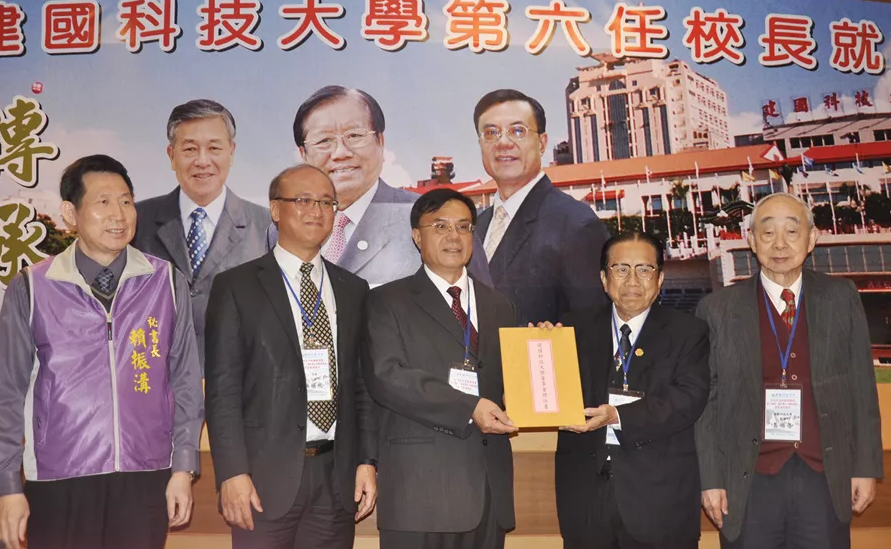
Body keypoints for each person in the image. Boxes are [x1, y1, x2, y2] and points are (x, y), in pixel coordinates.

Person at [0, 154, 204, 549]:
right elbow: (4, 394)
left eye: (126, 201)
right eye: (103, 202)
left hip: (145, 475)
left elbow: (185, 381)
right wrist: (9, 487)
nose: (118, 214)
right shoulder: (33, 287)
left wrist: (183, 468)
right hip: (59, 475)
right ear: (71, 213)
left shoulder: (166, 282)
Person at [204, 164, 378, 549]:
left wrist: (366, 461)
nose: (316, 210)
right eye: (303, 200)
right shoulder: (237, 286)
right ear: (275, 210)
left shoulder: (353, 289)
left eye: (326, 202)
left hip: (335, 478)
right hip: (262, 480)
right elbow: (223, 390)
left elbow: (361, 385)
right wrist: (231, 472)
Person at [695, 192, 883, 549]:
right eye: (768, 232)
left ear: (812, 239)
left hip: (824, 478)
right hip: (747, 482)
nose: (780, 244)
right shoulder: (717, 309)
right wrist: (710, 478)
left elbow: (862, 386)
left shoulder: (841, 297)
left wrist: (866, 467)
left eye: (792, 232)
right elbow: (706, 402)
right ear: (751, 240)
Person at [363, 188, 517, 549]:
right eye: (441, 226)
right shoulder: (385, 301)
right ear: (417, 236)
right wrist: (470, 407)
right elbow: (387, 376)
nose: (454, 236)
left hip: (488, 491)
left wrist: (541, 352)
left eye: (464, 227)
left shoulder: (499, 306)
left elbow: (510, 387)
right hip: (420, 493)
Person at [556, 232, 710, 549]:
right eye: (621, 269)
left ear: (660, 279)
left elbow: (688, 398)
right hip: (586, 503)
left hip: (659, 504)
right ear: (604, 278)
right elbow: (548, 392)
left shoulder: (689, 332)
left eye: (644, 269)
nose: (633, 280)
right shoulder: (571, 329)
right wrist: (537, 348)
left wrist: (617, 415)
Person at [273, 85, 491, 286]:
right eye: (323, 141)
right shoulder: (279, 231)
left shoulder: (435, 220)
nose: (340, 153)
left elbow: (481, 308)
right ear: (304, 154)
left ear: (381, 141)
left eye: (354, 135)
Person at [134, 99, 272, 365]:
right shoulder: (137, 221)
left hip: (238, 382)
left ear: (231, 152)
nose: (202, 161)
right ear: (171, 155)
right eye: (189, 149)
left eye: (214, 148)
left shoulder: (267, 225)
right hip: (155, 379)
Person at [473, 89, 607, 325]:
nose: (503, 143)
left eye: (517, 131)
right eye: (491, 133)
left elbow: (594, 329)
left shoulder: (575, 224)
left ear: (542, 143)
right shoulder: (477, 226)